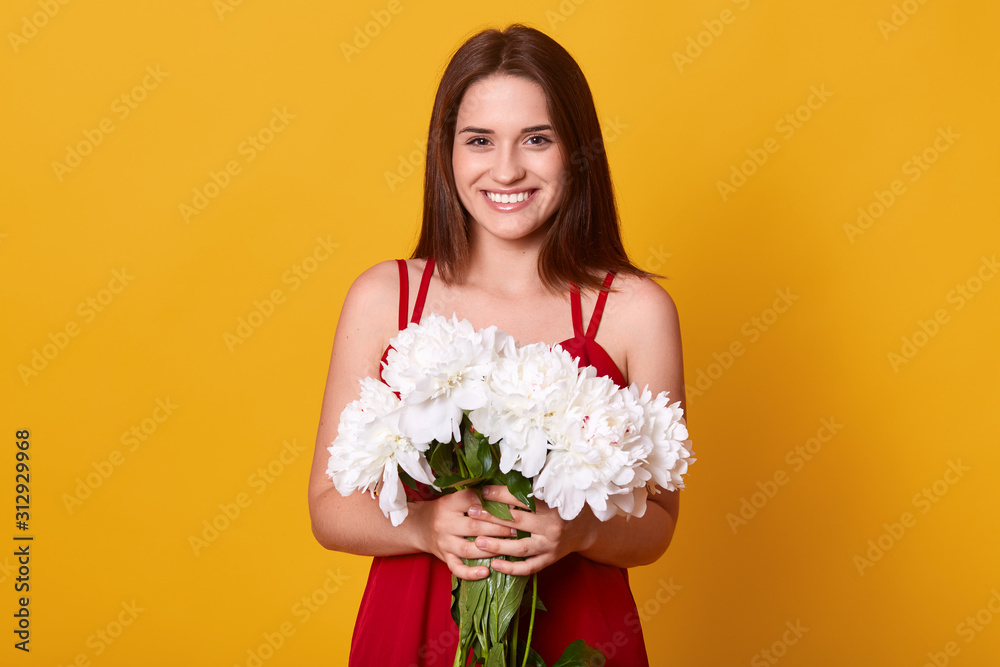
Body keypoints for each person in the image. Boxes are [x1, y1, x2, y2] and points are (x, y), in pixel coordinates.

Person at [308, 23, 686, 666]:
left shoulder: (636, 312)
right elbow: (328, 509)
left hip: (579, 636)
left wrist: (582, 528)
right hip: (413, 632)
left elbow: (659, 524)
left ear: (577, 150)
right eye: (479, 140)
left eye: (537, 140)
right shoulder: (384, 298)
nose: (507, 168)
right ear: (446, 153)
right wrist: (424, 526)